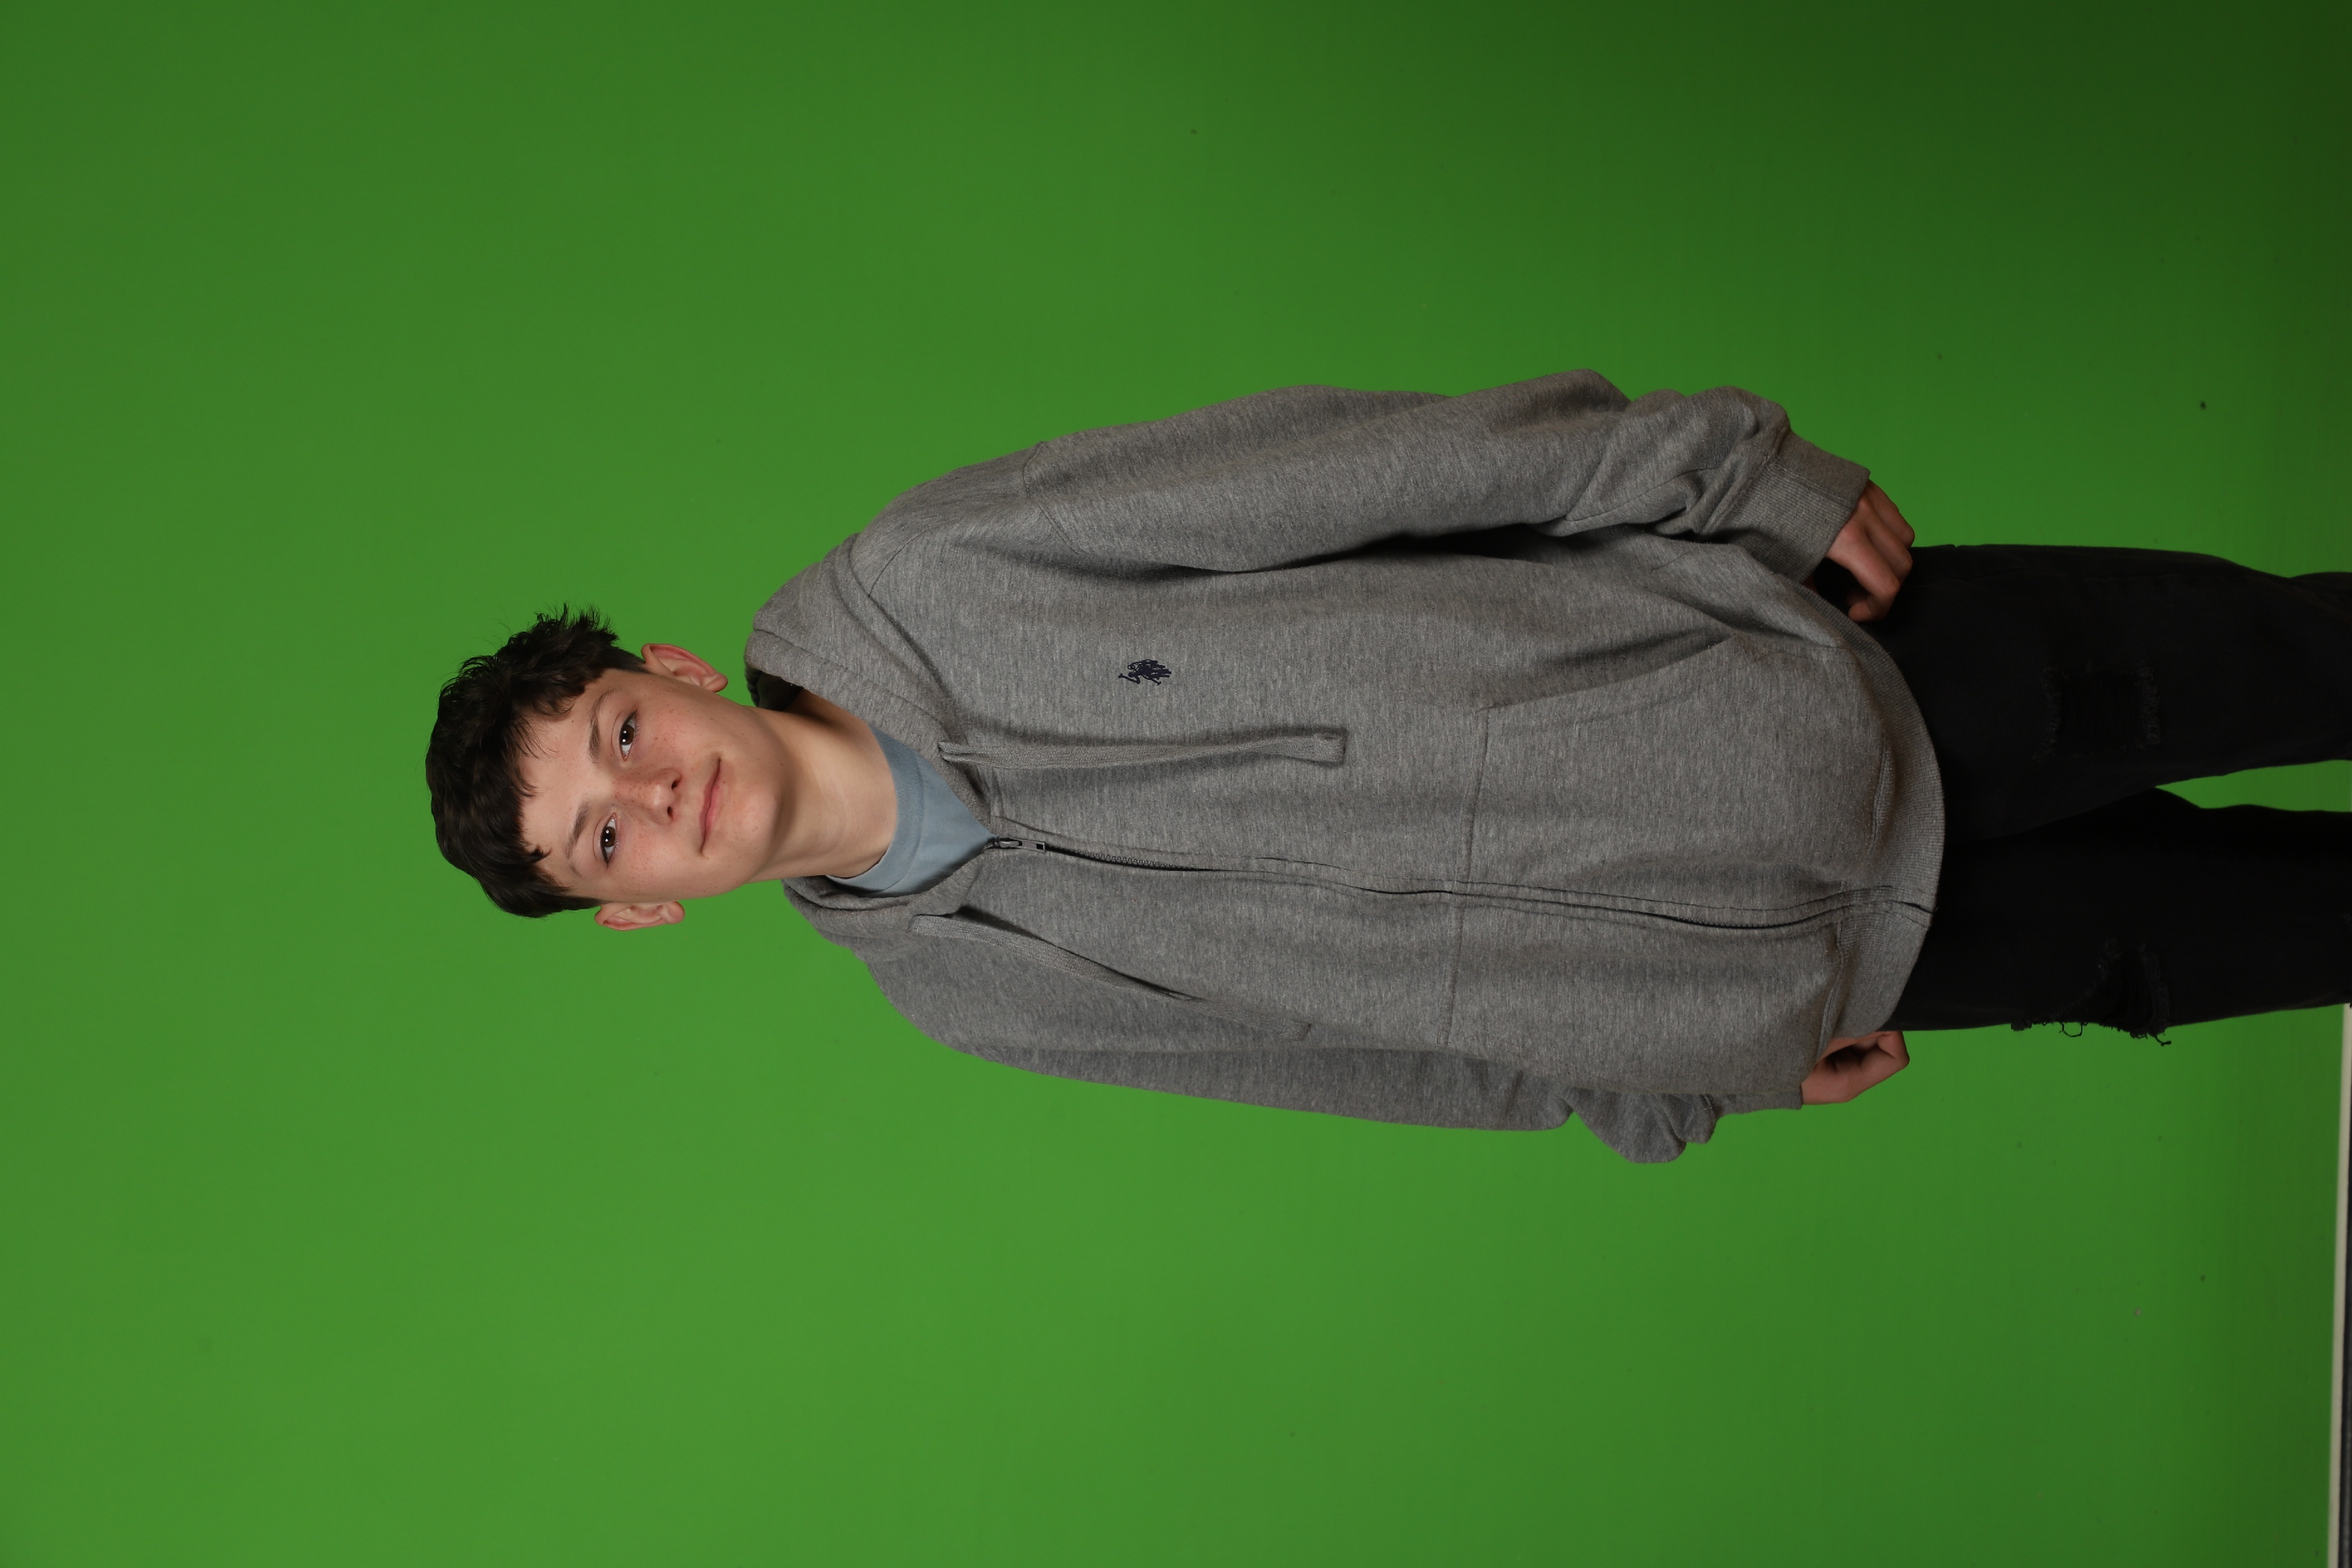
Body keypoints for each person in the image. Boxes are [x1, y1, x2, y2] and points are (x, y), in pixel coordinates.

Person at [425, 372, 2352, 1161]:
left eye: (620, 737)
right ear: (642, 912)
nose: (651, 796)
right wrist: (1663, 1078)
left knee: (2311, 662)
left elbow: (1363, 468)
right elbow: (1361, 1064)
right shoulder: (963, 995)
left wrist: (1724, 473)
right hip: (1827, 967)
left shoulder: (942, 569)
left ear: (670, 674)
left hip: (1818, 677)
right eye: (605, 842)